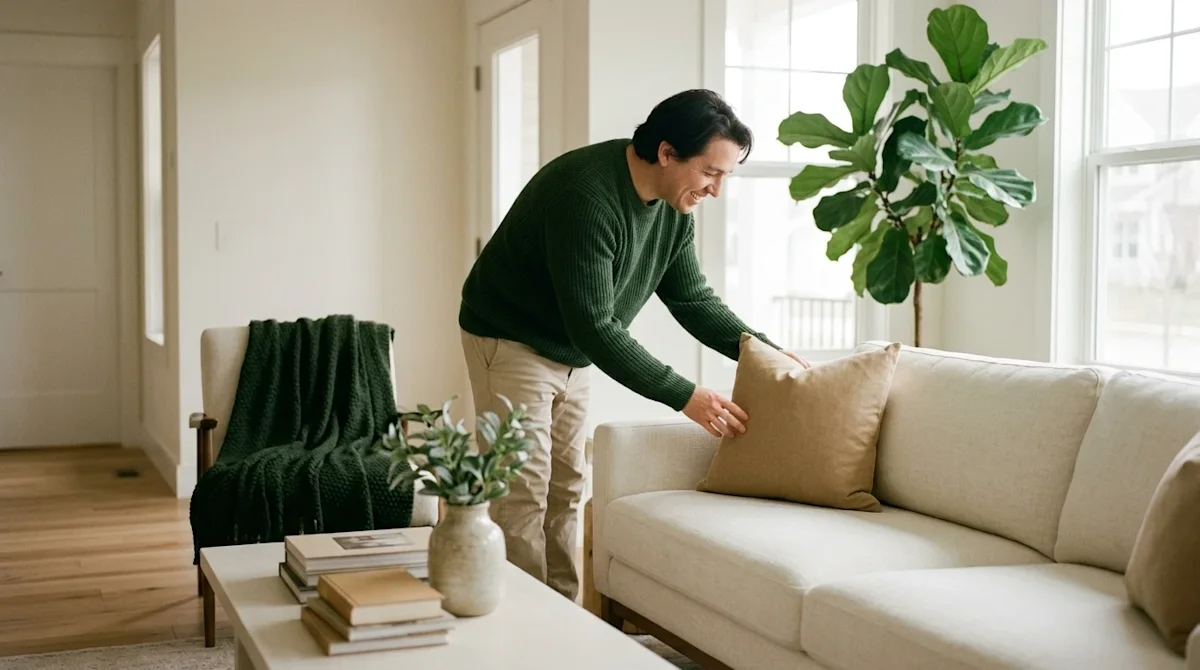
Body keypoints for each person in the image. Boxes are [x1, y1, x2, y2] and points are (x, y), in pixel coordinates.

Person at [457, 88, 807, 602]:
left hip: (573, 349)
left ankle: (562, 620)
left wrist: (762, 351)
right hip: (511, 339)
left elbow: (691, 297)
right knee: (521, 495)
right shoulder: (585, 195)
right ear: (667, 153)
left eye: (725, 177)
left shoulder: (672, 207)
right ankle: (520, 635)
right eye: (711, 173)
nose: (716, 190)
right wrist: (686, 395)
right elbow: (596, 326)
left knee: (567, 490)